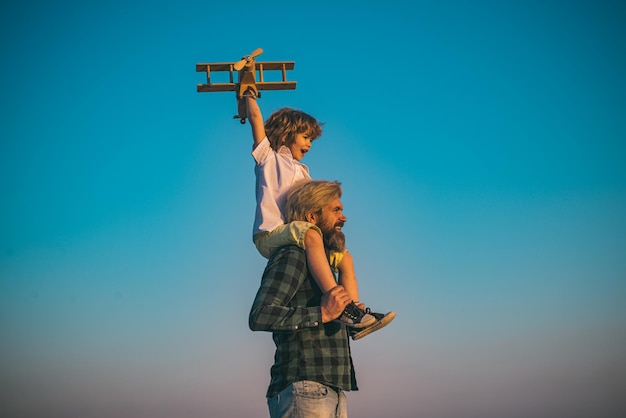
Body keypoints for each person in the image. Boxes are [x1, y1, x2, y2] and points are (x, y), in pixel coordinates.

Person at [249, 180, 394, 418]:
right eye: (336, 210)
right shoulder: (293, 255)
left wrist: (344, 313)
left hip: (330, 390)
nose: (344, 218)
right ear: (312, 217)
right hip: (305, 387)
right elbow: (260, 314)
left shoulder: (325, 265)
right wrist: (323, 313)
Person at [246, 93, 391, 329]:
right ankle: (340, 304)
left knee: (344, 257)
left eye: (311, 139)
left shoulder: (304, 173)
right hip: (271, 234)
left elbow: (313, 205)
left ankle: (354, 316)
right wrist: (248, 93)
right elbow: (254, 118)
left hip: (297, 232)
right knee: (311, 232)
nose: (309, 144)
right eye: (305, 137)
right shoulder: (268, 159)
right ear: (286, 133)